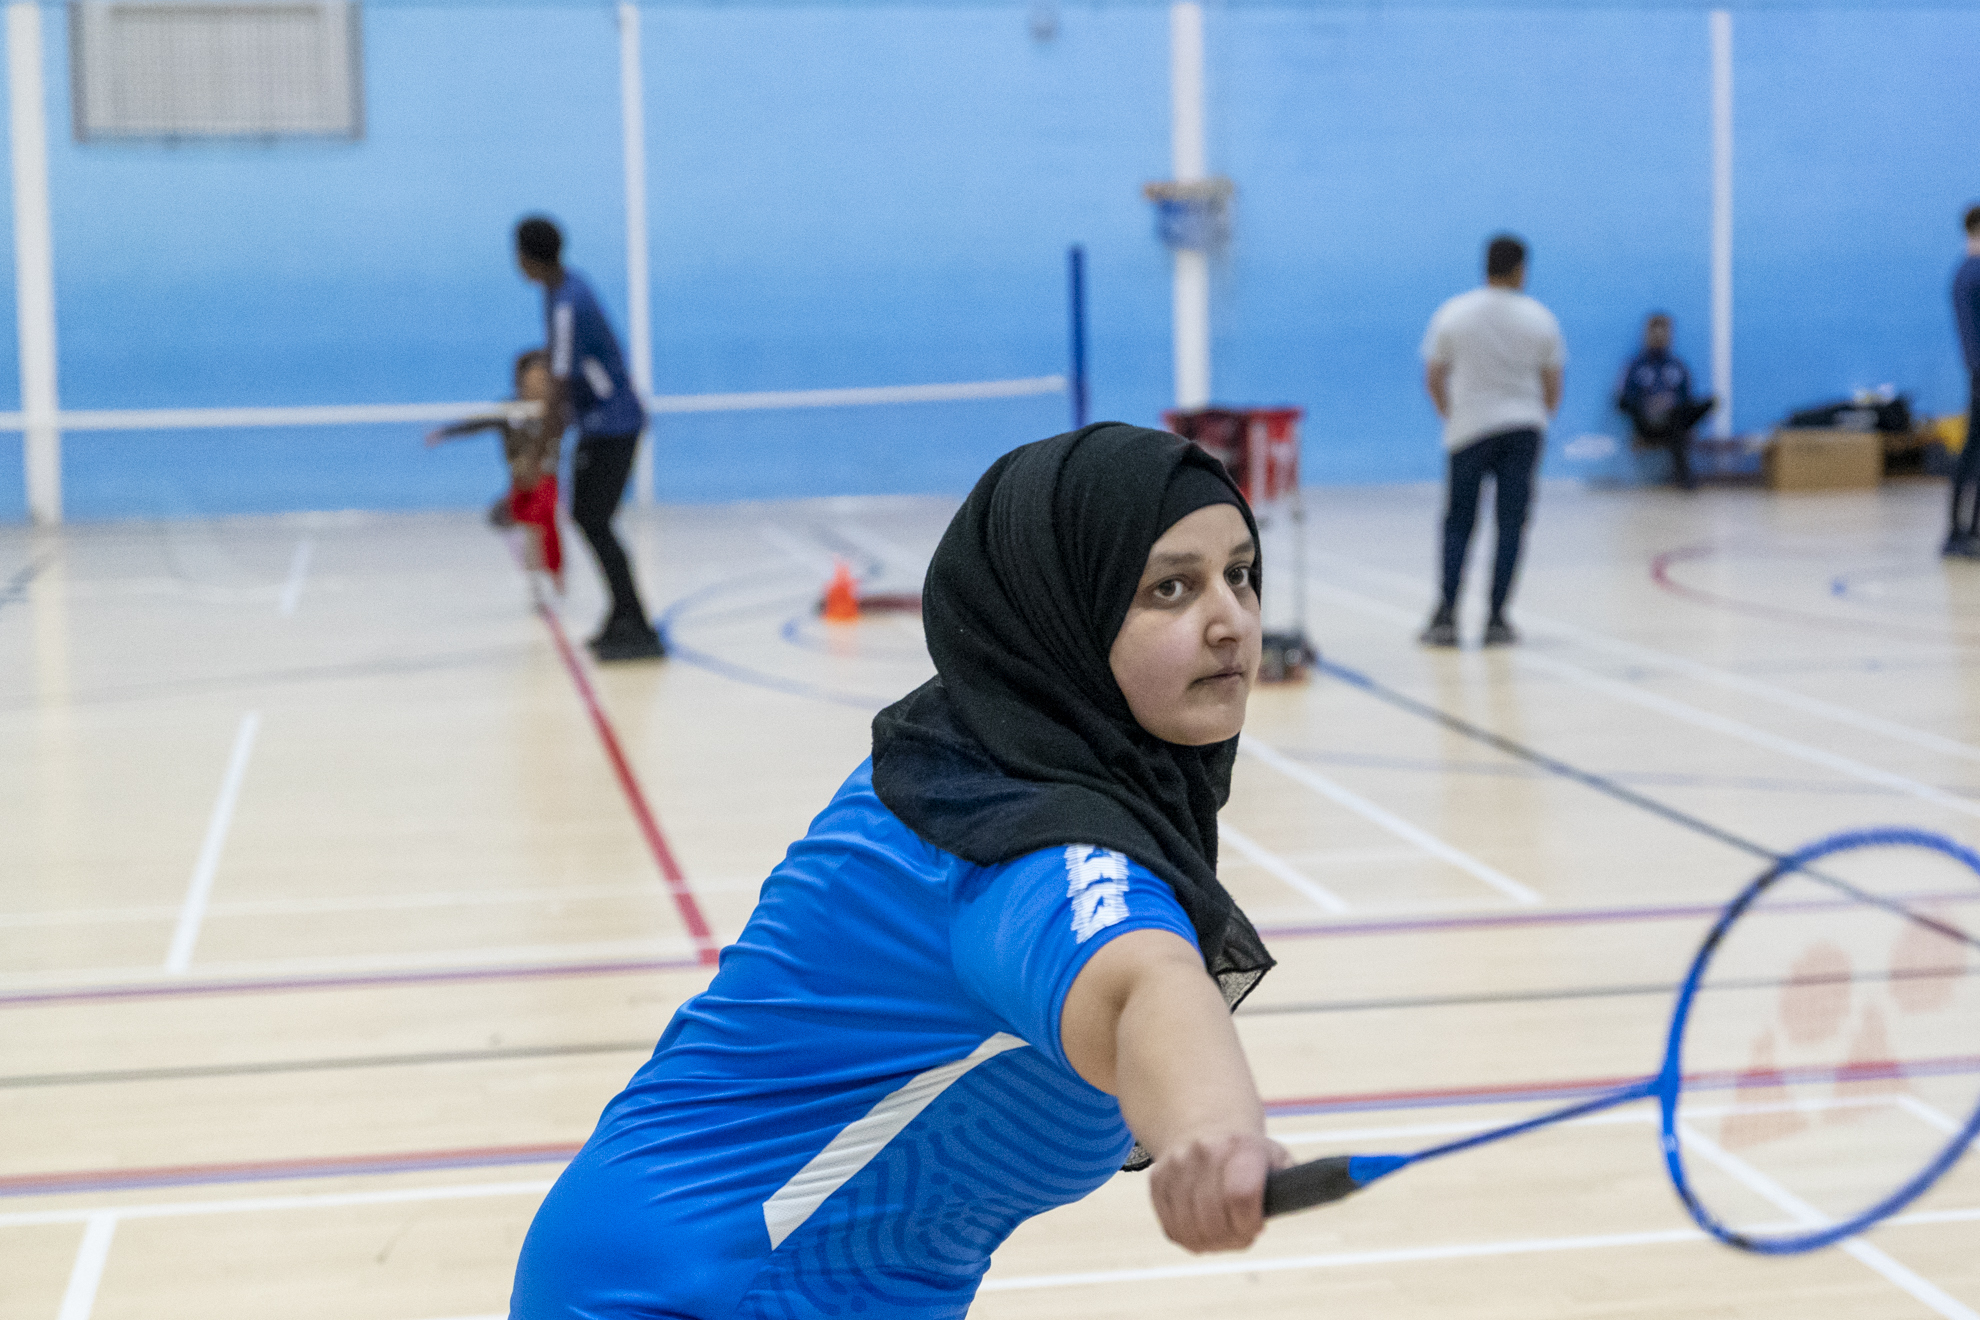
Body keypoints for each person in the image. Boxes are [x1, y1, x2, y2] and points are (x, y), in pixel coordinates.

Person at [509, 423, 1281, 1318]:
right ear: (1061, 608)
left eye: (1241, 574)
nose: (1230, 620)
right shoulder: (1013, 840)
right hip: (688, 1293)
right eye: (1170, 589)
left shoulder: (966, 750)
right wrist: (1213, 1131)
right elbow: (1141, 978)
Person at [515, 215, 665, 660]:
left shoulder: (566, 302)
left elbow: (559, 389)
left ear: (525, 257)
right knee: (591, 518)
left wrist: (541, 455)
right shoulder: (563, 291)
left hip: (612, 424)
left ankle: (637, 625)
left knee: (593, 519)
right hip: (601, 423)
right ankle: (624, 616)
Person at [1418, 233, 1565, 648]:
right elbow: (1553, 385)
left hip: (1468, 430)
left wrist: (1453, 414)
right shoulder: (1540, 318)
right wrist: (1536, 418)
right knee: (1511, 525)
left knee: (1459, 523)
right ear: (1521, 269)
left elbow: (1433, 377)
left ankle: (1446, 614)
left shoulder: (1454, 314)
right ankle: (1497, 618)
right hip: (1523, 429)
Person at [427, 349, 564, 592]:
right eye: (532, 378)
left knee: (543, 522)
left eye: (543, 378)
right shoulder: (509, 409)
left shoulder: (555, 410)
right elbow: (478, 423)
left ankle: (555, 576)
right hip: (520, 481)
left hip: (545, 479)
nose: (538, 384)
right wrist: (446, 433)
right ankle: (536, 577)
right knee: (520, 522)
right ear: (521, 380)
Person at [1616, 313, 1716, 491]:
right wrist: (1650, 405)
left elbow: (1687, 399)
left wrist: (1669, 404)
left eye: (1664, 332)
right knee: (1673, 421)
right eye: (1655, 332)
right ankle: (1686, 480)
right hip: (1647, 423)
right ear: (1647, 334)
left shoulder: (1678, 366)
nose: (1659, 336)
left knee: (1702, 406)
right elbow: (1622, 401)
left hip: (1674, 420)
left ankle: (1683, 479)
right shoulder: (1635, 366)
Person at [1945, 205, 1980, 559]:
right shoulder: (1973, 272)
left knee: (1976, 450)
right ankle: (1958, 531)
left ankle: (1968, 530)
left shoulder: (1965, 272)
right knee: (1972, 451)